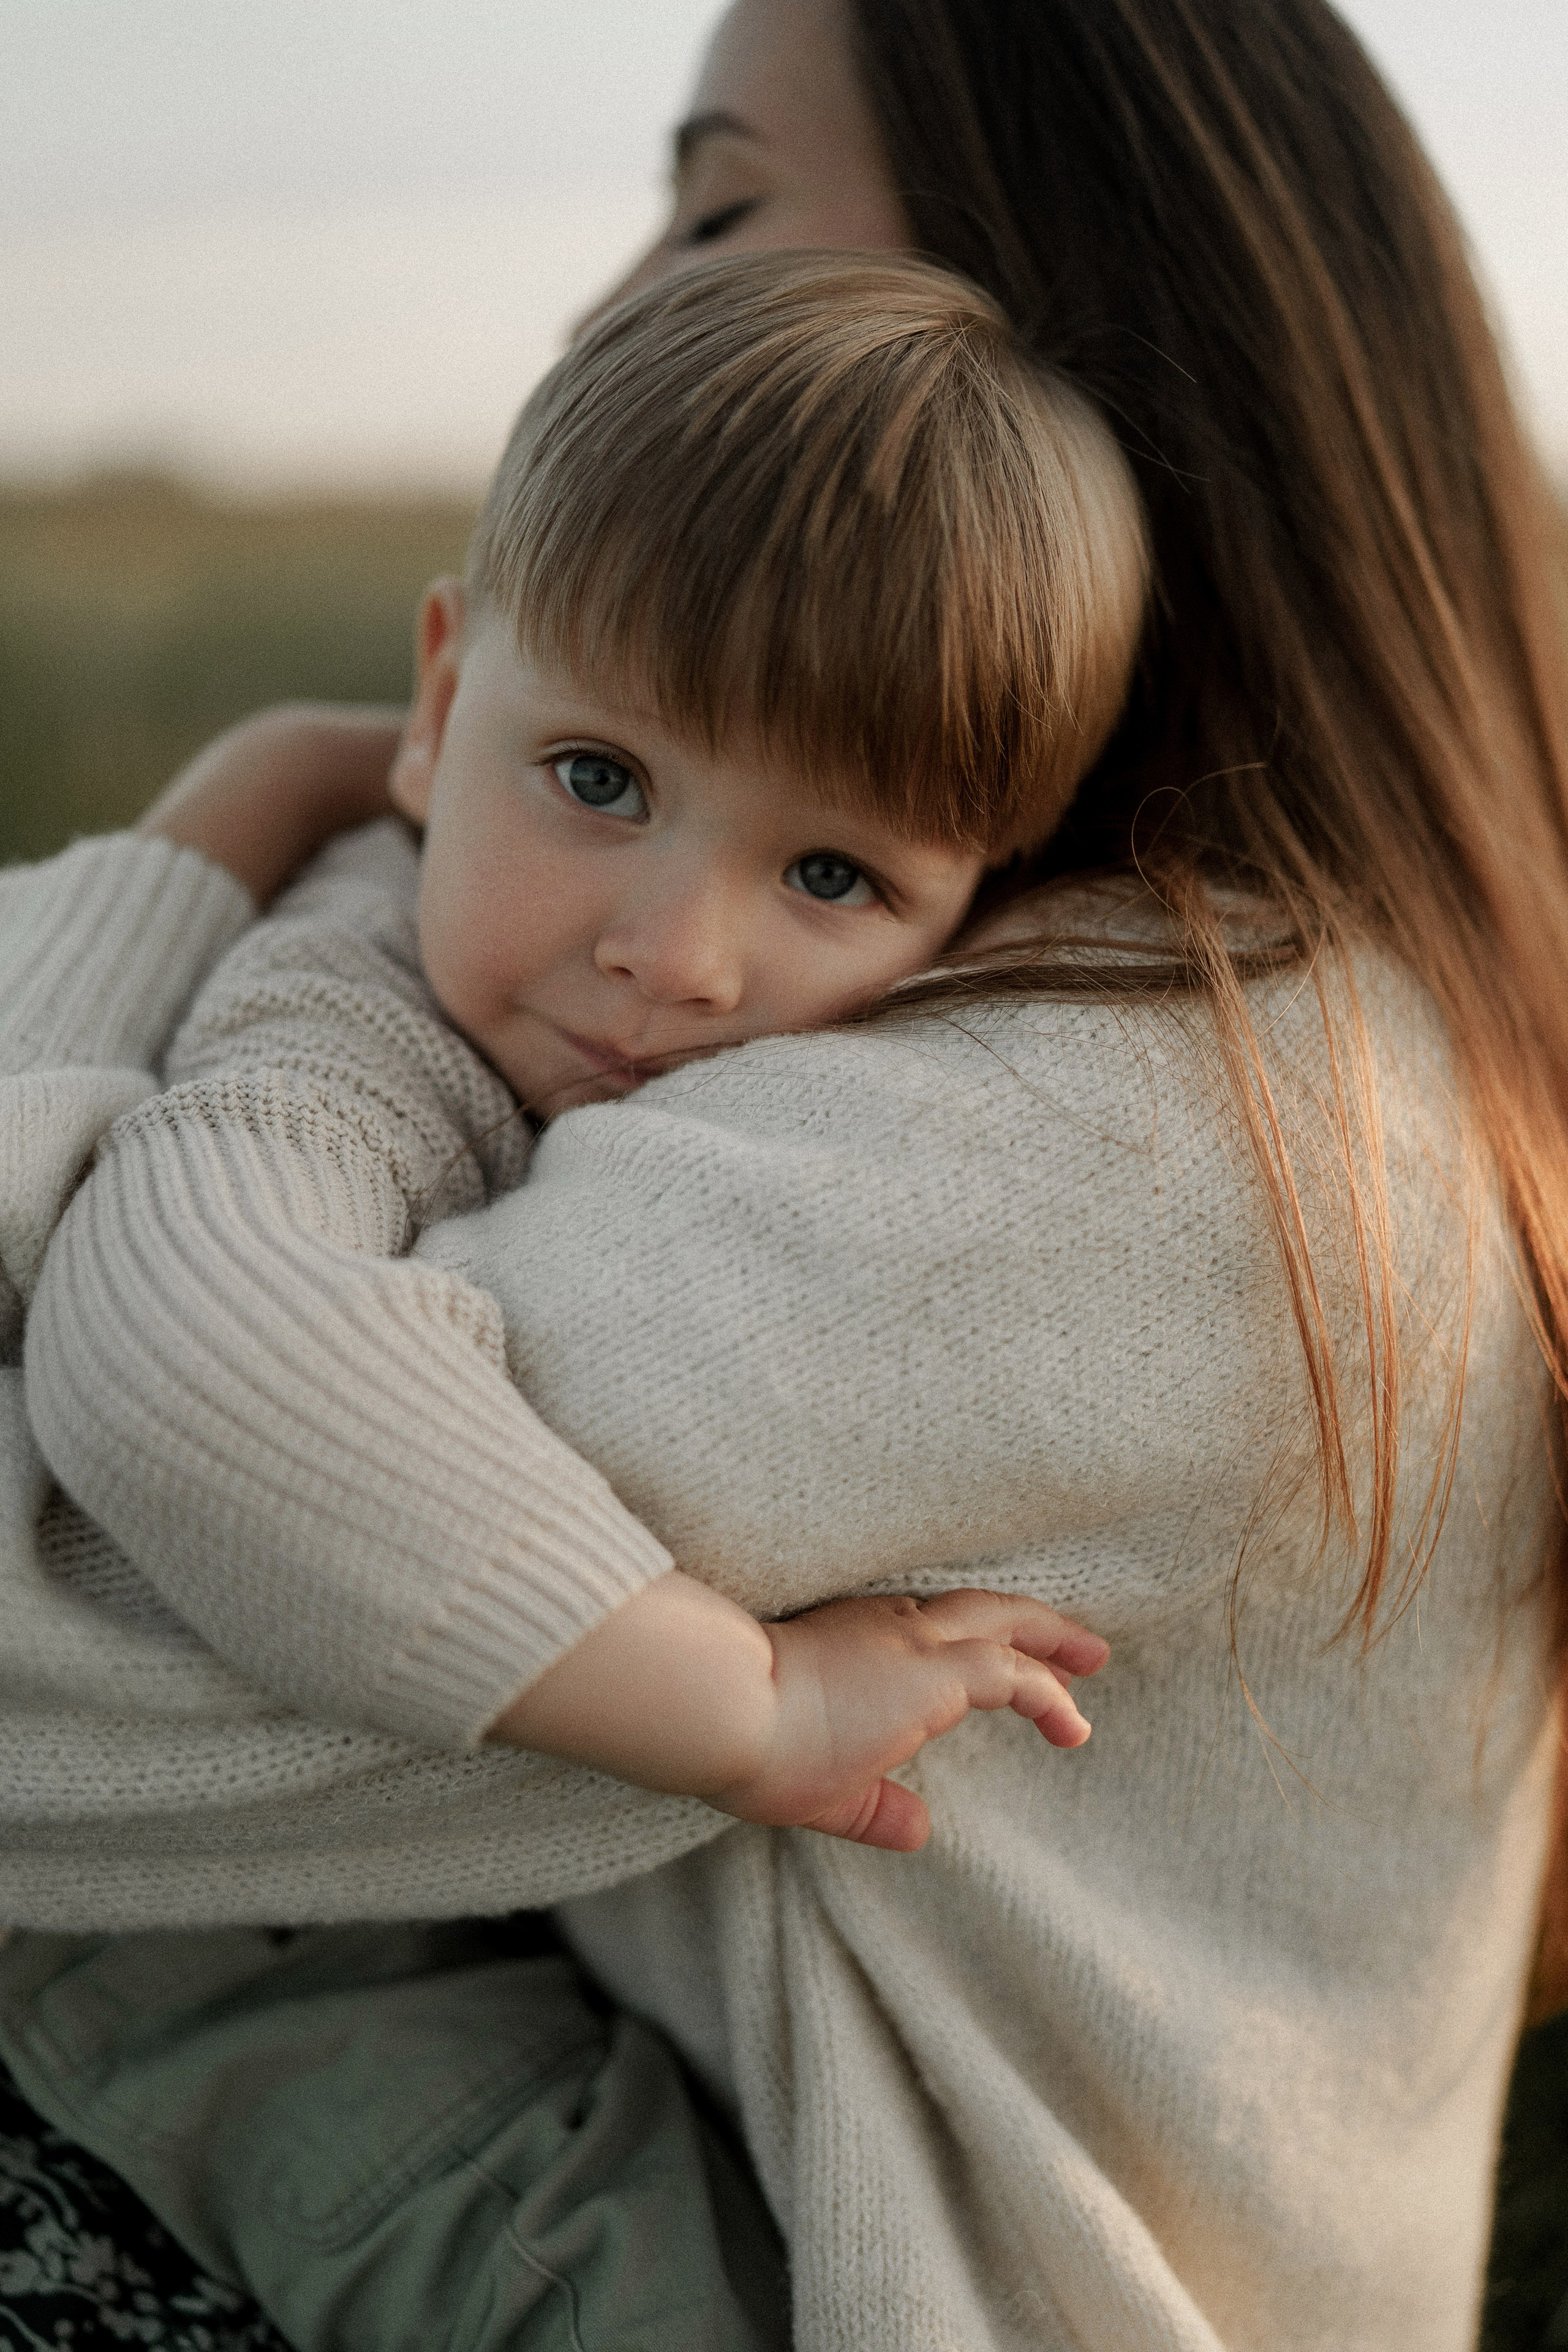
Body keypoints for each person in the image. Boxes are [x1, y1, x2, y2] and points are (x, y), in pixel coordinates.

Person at [2, 0, 1566, 2346]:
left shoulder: (1143, 1137)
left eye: (719, 204)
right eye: (594, 780)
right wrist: (295, 826)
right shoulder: (1264, 996)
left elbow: (125, 1555)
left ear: (1061, 288)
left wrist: (258, 869)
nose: (614, 305)